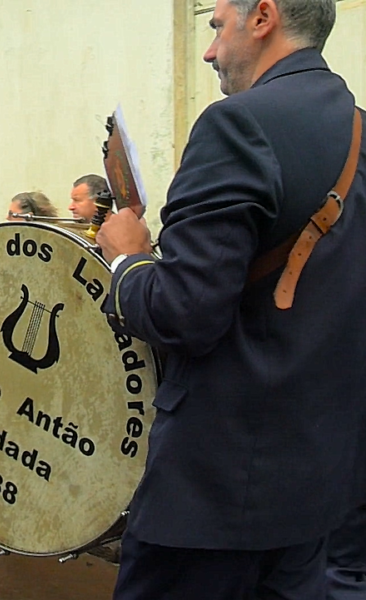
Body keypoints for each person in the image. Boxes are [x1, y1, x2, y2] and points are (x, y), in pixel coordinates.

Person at [94, 1, 365, 598]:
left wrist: (128, 260)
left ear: (263, 16)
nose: (210, 51)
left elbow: (183, 314)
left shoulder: (236, 124)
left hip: (213, 501)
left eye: (216, 27)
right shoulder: (360, 131)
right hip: (322, 490)